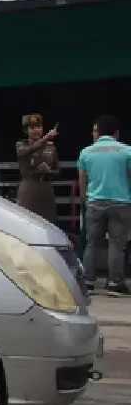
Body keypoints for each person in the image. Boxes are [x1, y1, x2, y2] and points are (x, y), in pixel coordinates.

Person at [76, 115, 131, 295]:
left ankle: (88, 282)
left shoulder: (86, 152)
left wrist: (86, 199)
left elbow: (82, 181)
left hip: (95, 202)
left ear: (98, 131)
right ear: (116, 132)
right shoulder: (126, 151)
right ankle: (115, 283)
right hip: (121, 201)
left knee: (92, 244)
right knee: (117, 244)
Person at [15, 114, 60, 226]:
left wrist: (49, 171)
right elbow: (25, 152)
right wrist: (45, 138)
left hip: (46, 188)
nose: (36, 130)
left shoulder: (50, 146)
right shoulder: (21, 144)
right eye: (32, 128)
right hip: (29, 187)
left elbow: (58, 170)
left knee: (49, 224)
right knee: (26, 222)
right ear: (26, 130)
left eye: (38, 127)